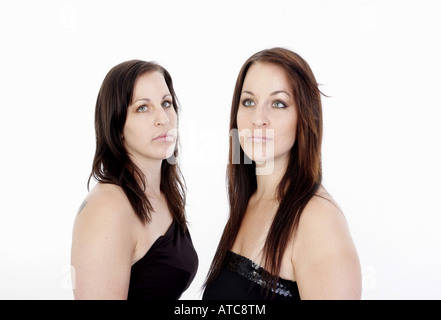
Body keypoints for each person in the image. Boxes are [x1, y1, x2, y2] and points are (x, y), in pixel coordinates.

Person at [202, 47, 361, 300]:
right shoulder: (249, 201)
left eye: (278, 103)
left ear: (304, 117)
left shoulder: (317, 219)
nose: (258, 118)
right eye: (249, 102)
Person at [71, 60, 198, 300]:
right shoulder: (107, 207)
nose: (163, 118)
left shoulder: (163, 193)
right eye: (142, 107)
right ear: (117, 125)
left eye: (166, 103)